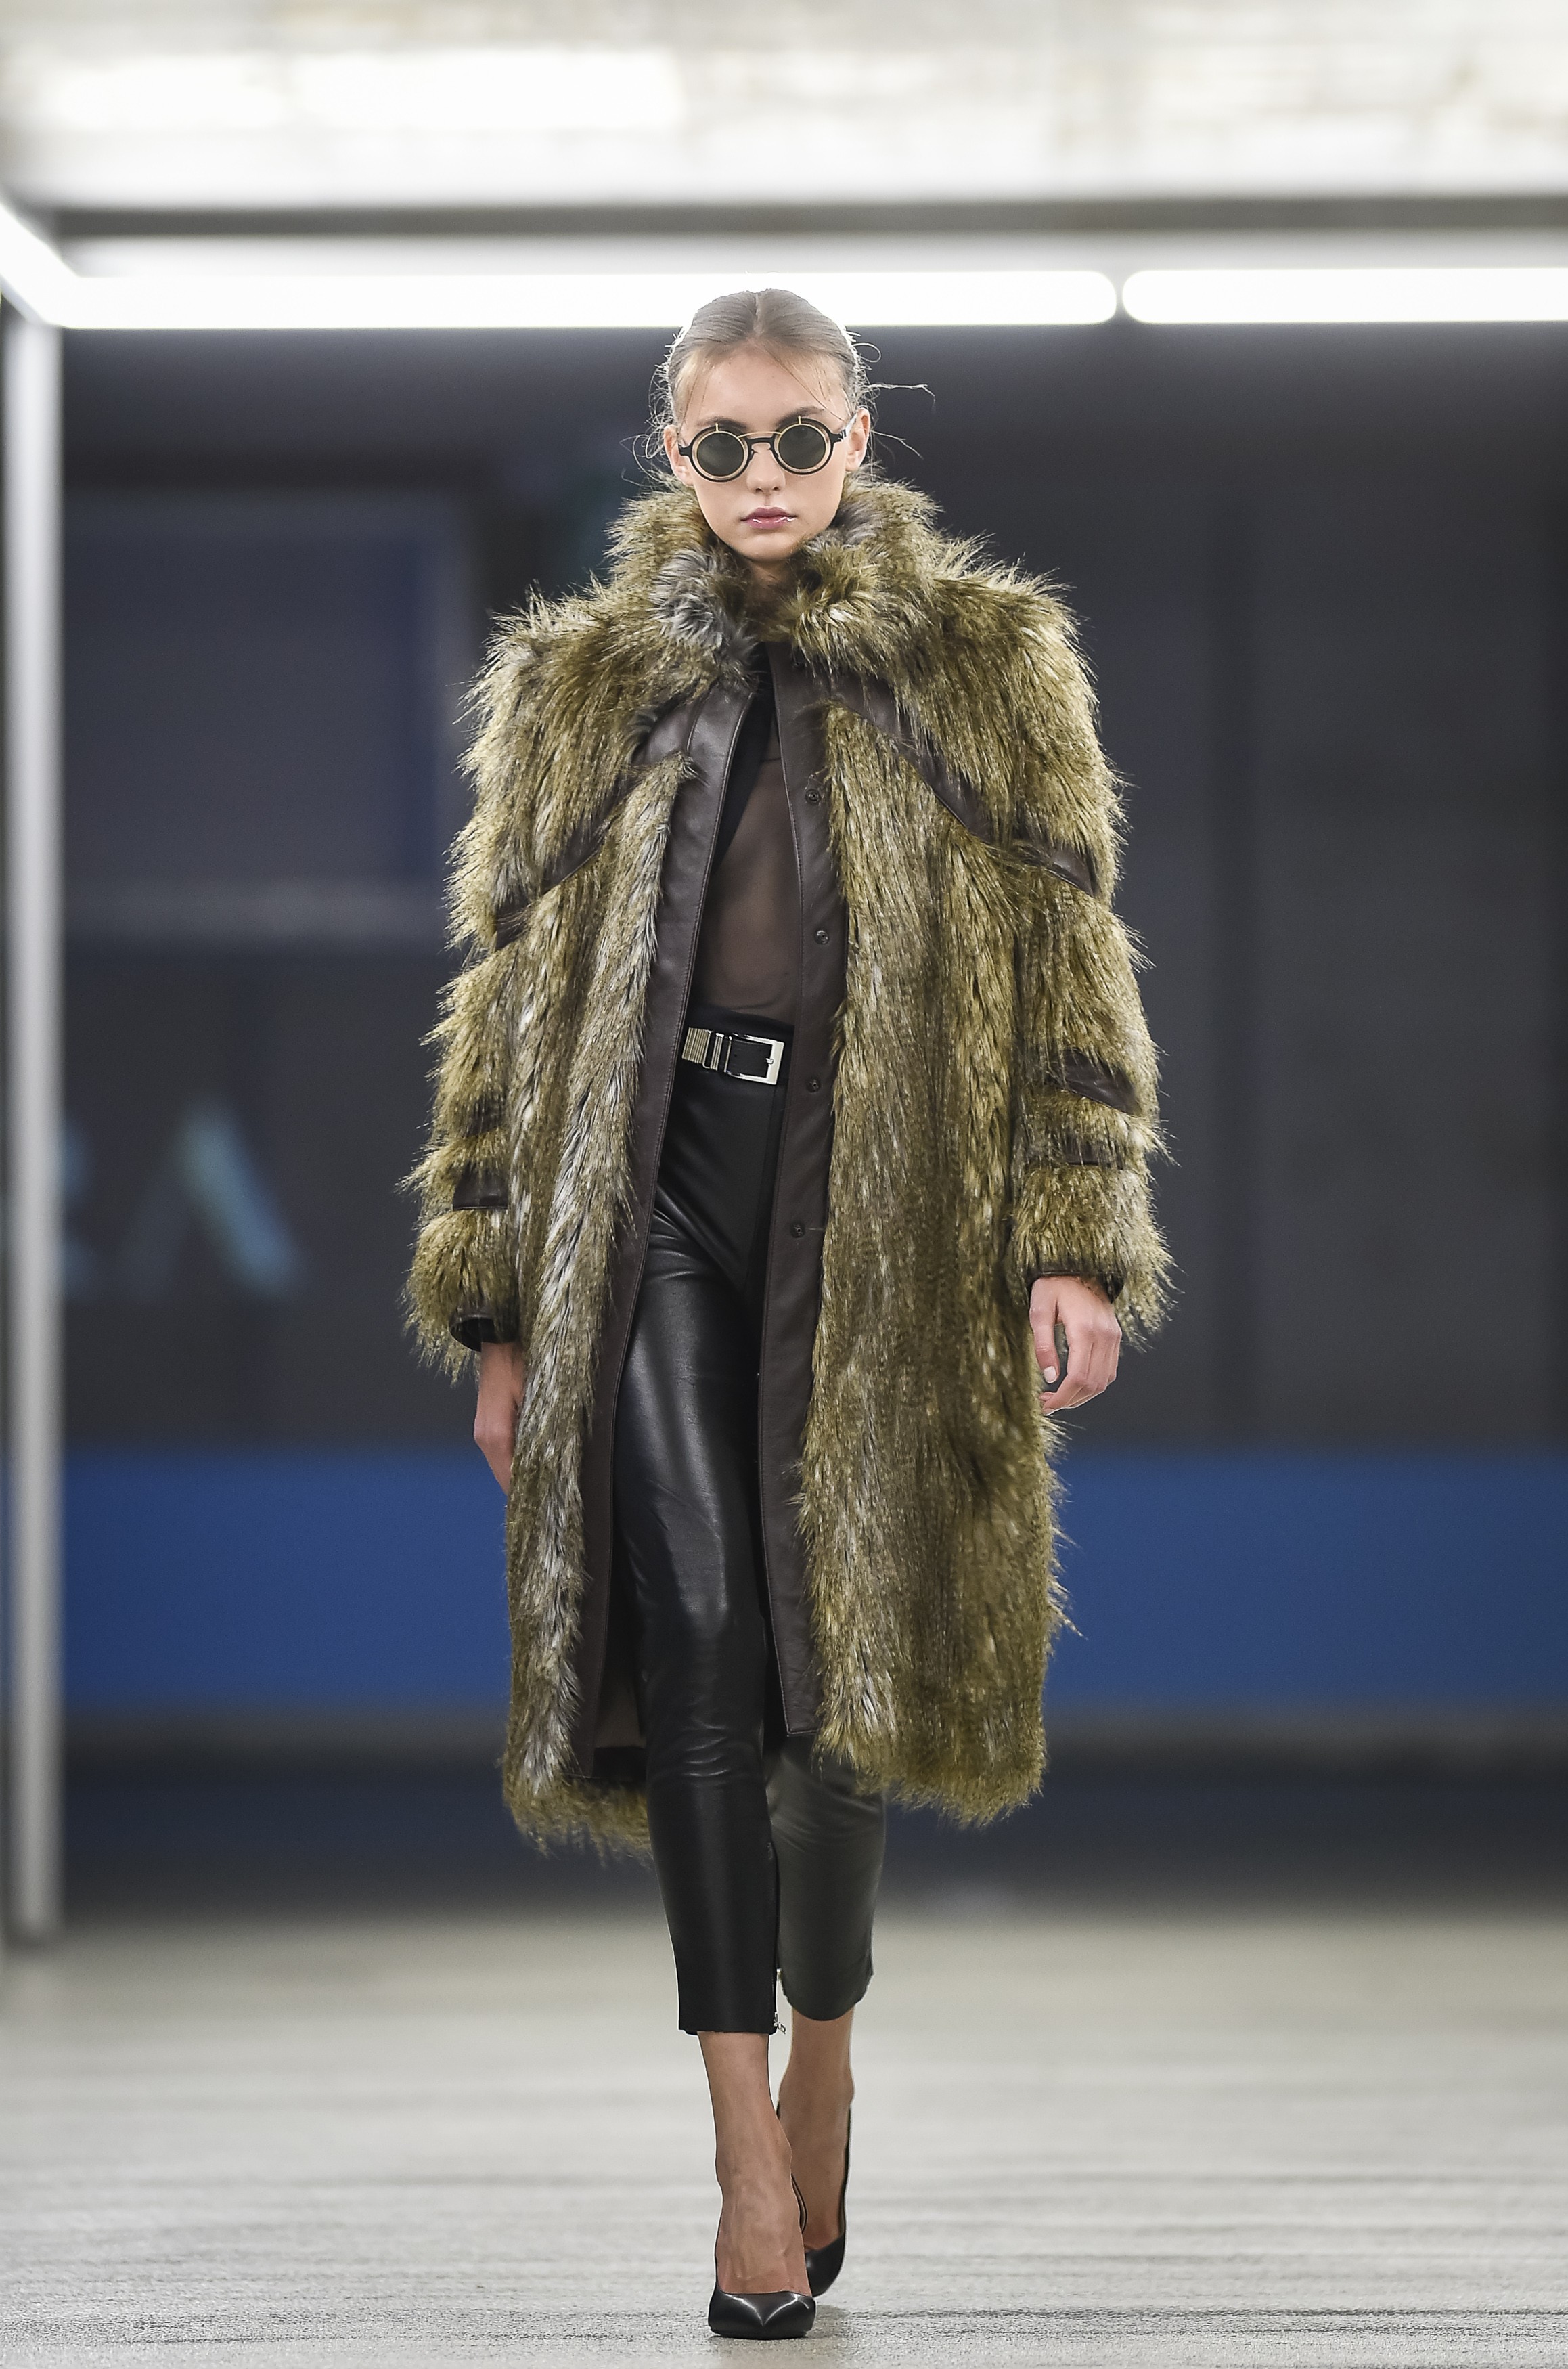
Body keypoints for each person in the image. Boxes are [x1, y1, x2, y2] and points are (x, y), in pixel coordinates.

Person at [409, 288, 1166, 2339]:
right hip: (648, 1197)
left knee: (842, 1696)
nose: (764, 477)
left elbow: (1071, 949)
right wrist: (497, 1298)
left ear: (860, 441)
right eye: (725, 443)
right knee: (706, 1645)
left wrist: (1073, 1232)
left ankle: (827, 2044)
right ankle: (746, 2152)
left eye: (800, 438)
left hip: (888, 1205)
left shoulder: (987, 662)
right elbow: (504, 1001)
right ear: (672, 454)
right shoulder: (576, 685)